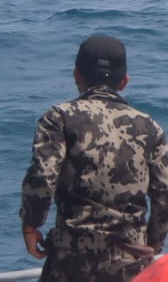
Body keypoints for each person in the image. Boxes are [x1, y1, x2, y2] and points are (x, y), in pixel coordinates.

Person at [20, 35, 168, 281]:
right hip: (130, 263)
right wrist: (150, 245)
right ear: (124, 81)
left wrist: (30, 227)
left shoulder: (59, 118)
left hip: (69, 260)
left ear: (77, 75)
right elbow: (164, 193)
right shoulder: (150, 128)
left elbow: (43, 176)